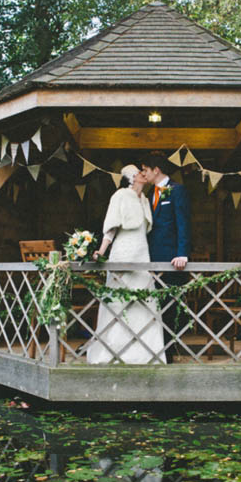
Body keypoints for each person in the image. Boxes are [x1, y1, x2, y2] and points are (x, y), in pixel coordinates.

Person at [85, 165, 166, 365]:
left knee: (144, 300)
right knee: (118, 300)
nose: (143, 174)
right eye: (140, 172)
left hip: (142, 252)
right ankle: (114, 348)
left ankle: (147, 352)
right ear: (132, 178)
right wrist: (101, 251)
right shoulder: (120, 195)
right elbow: (111, 227)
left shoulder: (145, 199)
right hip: (123, 249)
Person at [140, 153, 191, 363]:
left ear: (156, 170)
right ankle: (155, 349)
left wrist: (182, 253)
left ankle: (168, 352)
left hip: (172, 259)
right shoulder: (150, 193)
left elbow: (183, 223)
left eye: (145, 170)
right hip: (151, 258)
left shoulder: (178, 191)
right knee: (154, 305)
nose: (143, 174)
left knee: (169, 306)